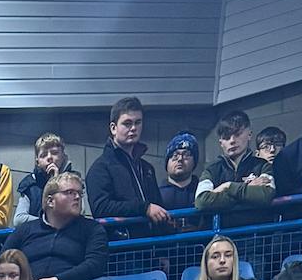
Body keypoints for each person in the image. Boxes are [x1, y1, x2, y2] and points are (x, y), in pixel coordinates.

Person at [7, 170, 110, 280]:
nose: (77, 197)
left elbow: (95, 265)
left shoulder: (92, 228)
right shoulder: (25, 230)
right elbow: (4, 261)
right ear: (50, 201)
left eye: (79, 193)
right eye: (70, 192)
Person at [85, 97, 168, 227]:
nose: (134, 128)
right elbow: (101, 208)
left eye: (138, 122)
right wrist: (144, 208)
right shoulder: (100, 169)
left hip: (152, 238)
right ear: (113, 128)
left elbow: (157, 207)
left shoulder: (147, 168)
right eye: (127, 123)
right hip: (122, 239)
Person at [19, 133, 69, 221]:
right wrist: (46, 222)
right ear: (37, 161)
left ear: (63, 156)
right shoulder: (30, 184)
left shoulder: (73, 182)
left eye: (54, 153)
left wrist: (57, 184)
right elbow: (19, 218)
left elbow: (77, 214)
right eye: (43, 155)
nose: (49, 157)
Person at [159, 133, 201, 215]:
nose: (180, 159)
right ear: (167, 162)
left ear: (194, 162)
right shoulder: (156, 195)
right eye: (175, 155)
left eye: (186, 155)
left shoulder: (202, 193)